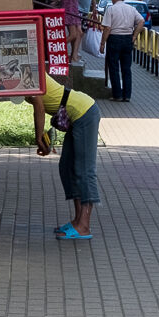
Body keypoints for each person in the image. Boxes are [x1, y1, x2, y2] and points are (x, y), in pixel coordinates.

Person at [26, 72, 101, 240]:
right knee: (67, 167)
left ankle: (84, 225)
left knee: (84, 169)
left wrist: (39, 137)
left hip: (85, 112)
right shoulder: (22, 71)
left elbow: (39, 105)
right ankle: (77, 220)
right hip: (75, 115)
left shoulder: (28, 71)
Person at [100, 0, 144, 102]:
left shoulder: (111, 9)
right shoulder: (131, 9)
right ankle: (127, 95)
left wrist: (102, 43)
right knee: (126, 68)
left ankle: (117, 95)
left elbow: (108, 28)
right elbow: (141, 21)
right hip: (127, 39)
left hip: (114, 39)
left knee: (114, 67)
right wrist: (134, 36)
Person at [53, 0, 87, 64]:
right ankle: (56, 48)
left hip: (74, 8)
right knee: (73, 35)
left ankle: (74, 56)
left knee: (79, 33)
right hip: (69, 9)